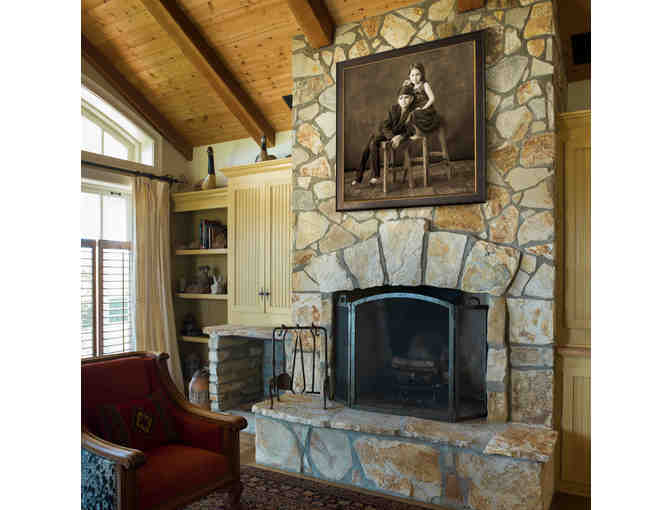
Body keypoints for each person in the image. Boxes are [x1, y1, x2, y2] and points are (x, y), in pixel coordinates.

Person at [352, 84, 417, 186]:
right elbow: (385, 125)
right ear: (398, 100)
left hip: (395, 134)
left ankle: (375, 176)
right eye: (400, 98)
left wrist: (400, 137)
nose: (403, 101)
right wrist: (392, 137)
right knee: (366, 151)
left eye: (406, 97)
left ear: (412, 99)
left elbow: (411, 130)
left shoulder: (413, 112)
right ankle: (359, 177)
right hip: (384, 132)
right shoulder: (393, 108)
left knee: (372, 144)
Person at [403, 62, 440, 135]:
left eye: (417, 74)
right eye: (412, 75)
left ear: (422, 75)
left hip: (426, 109)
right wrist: (405, 86)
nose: (415, 78)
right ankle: (407, 134)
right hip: (416, 108)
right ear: (409, 76)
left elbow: (432, 98)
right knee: (405, 114)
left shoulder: (424, 85)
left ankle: (418, 134)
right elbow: (405, 96)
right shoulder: (411, 86)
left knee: (414, 114)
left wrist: (423, 108)